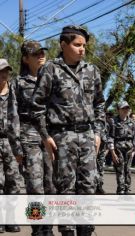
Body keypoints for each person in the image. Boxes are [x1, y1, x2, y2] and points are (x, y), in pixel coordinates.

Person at [30, 25, 106, 236]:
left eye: (84, 46)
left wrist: (98, 132)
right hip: (62, 137)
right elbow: (37, 106)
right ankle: (68, 231)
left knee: (89, 186)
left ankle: (86, 230)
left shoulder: (92, 70)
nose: (82, 49)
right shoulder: (51, 69)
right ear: (63, 45)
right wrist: (46, 137)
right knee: (66, 188)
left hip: (88, 135)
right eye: (77, 45)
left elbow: (100, 104)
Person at [12, 40, 56, 236]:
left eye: (42, 52)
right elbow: (11, 116)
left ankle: (48, 228)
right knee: (35, 188)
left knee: (52, 187)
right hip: (29, 138)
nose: (41, 55)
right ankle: (38, 229)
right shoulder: (18, 83)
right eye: (35, 53)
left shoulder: (52, 80)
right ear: (25, 59)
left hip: (51, 139)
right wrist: (16, 147)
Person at [0, 59, 22, 233]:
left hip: (12, 141)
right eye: (0, 71)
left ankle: (11, 218)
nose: (3, 74)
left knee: (14, 181)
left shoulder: (15, 92)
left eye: (6, 71)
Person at [108, 101, 135, 194]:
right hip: (118, 149)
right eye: (123, 108)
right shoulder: (113, 121)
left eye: (127, 108)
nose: (126, 110)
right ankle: (120, 190)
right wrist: (112, 152)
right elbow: (110, 137)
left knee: (127, 170)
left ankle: (127, 189)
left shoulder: (132, 122)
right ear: (118, 110)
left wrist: (134, 150)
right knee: (120, 170)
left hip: (129, 150)